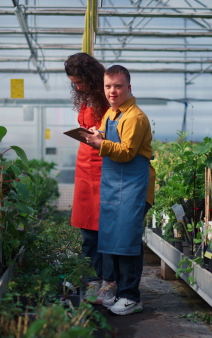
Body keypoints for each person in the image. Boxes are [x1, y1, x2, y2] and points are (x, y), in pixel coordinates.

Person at [82, 65, 156, 316]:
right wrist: (96, 134)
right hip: (115, 187)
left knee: (127, 243)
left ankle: (131, 297)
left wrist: (100, 143)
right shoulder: (112, 114)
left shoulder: (134, 117)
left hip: (134, 187)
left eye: (118, 86)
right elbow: (106, 135)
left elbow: (126, 152)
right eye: (108, 86)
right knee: (113, 240)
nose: (112, 91)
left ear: (129, 87)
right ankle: (117, 290)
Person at [64, 53, 116, 305]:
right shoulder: (86, 99)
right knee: (88, 230)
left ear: (91, 77)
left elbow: (115, 136)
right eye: (74, 83)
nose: (78, 87)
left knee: (104, 228)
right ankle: (91, 281)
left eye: (80, 82)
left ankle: (108, 281)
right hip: (85, 167)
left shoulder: (107, 100)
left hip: (104, 165)